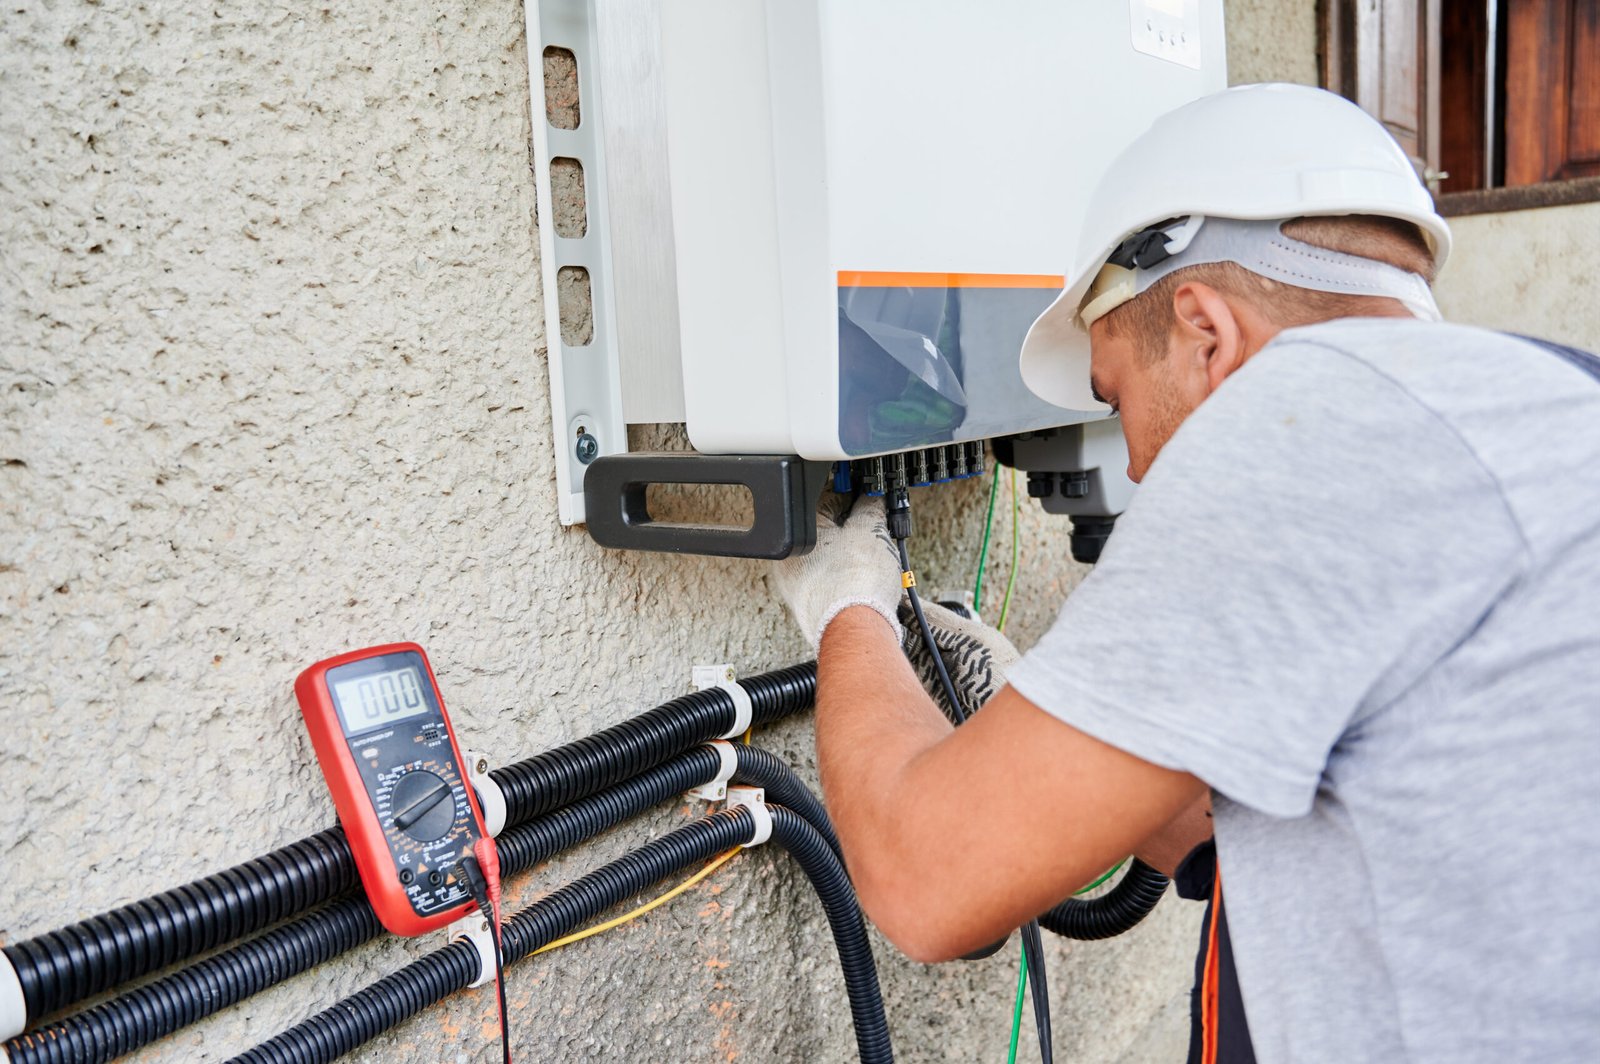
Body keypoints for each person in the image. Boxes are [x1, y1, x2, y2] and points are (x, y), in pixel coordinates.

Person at [772, 84, 1600, 1062]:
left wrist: (849, 608)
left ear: (1206, 332)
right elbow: (1332, 810)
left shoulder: (1310, 426)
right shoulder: (1542, 397)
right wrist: (1037, 721)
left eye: (1117, 399)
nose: (1139, 467)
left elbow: (926, 878)